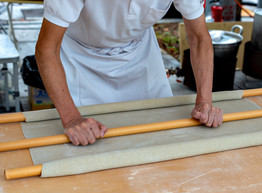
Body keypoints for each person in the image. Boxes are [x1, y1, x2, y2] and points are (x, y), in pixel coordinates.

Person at [35, 0, 223, 146]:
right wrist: (71, 118)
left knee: (163, 136)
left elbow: (199, 37)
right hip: (81, 57)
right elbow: (47, 49)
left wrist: (204, 101)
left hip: (140, 52)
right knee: (88, 146)